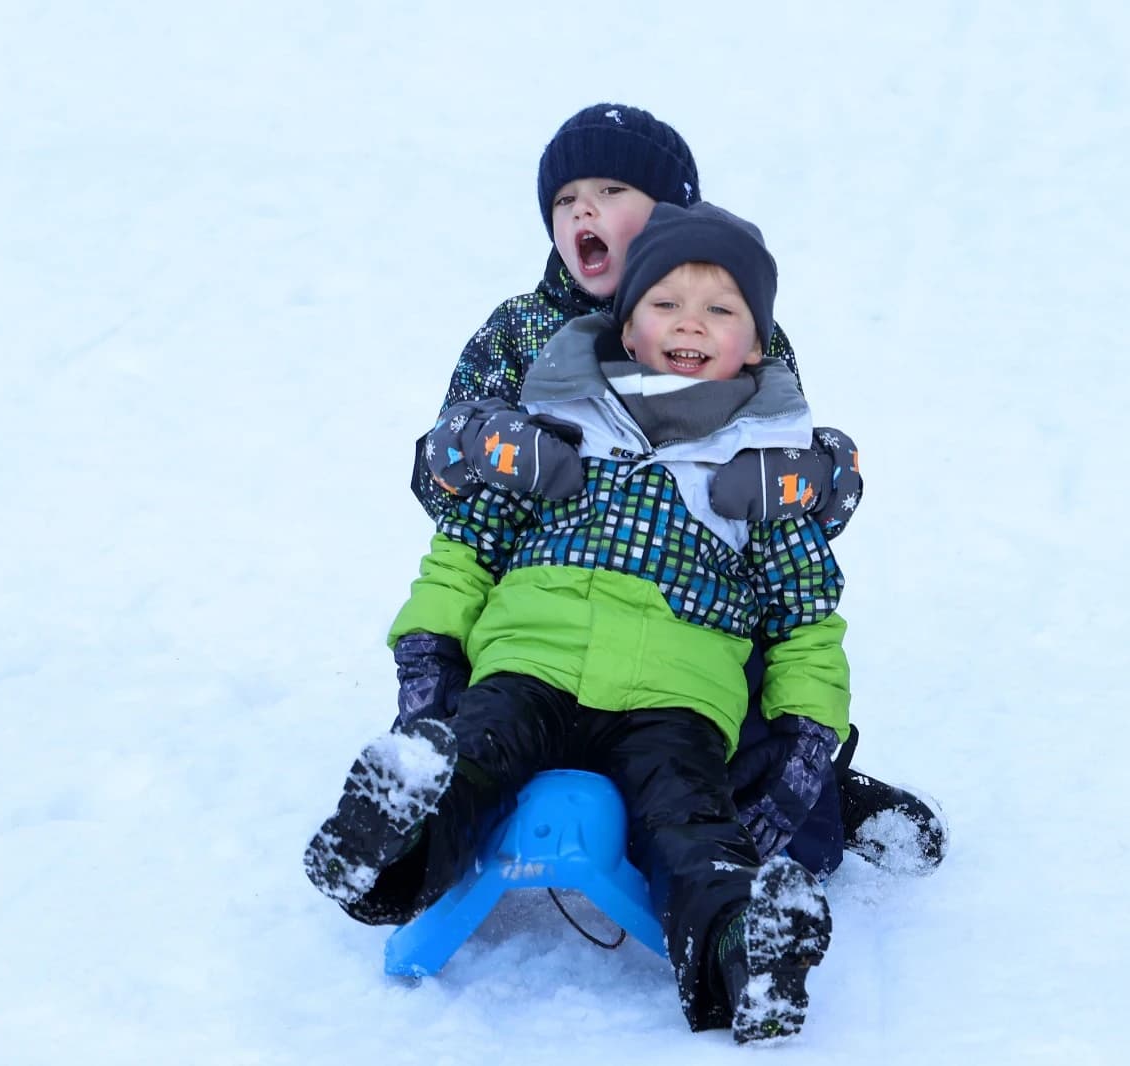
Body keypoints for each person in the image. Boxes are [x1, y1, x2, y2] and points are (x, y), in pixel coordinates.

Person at [307, 203, 843, 1041]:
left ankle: (749, 954)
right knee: (472, 764)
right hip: (531, 665)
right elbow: (467, 550)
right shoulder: (557, 428)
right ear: (625, 329)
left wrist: (806, 741)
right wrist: (428, 654)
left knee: (694, 830)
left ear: (760, 345)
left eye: (719, 308)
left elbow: (808, 622)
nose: (689, 324)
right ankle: (379, 857)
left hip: (676, 699)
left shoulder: (768, 470)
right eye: (665, 303)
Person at [404, 102, 948, 876]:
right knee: (481, 688)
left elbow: (792, 487)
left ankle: (812, 788)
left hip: (692, 611)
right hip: (550, 598)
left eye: (610, 191)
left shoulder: (736, 321)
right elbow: (436, 469)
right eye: (564, 201)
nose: (582, 210)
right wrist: (484, 446)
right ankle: (432, 806)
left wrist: (817, 477)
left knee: (761, 652)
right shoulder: (521, 330)